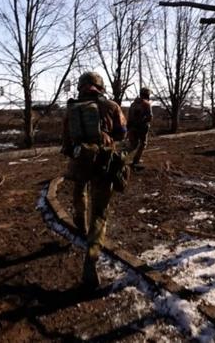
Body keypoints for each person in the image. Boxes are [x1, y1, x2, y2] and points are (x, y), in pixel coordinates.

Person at [61, 71, 127, 288]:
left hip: (81, 162)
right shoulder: (111, 106)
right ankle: (90, 259)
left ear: (81, 86)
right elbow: (122, 132)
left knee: (79, 191)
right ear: (100, 86)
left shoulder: (71, 110)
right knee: (99, 214)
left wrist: (80, 152)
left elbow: (67, 145)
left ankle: (79, 223)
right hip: (104, 164)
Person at [127, 87, 153, 167]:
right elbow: (150, 117)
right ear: (147, 95)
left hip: (132, 127)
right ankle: (136, 161)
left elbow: (129, 116)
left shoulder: (133, 103)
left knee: (133, 144)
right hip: (142, 127)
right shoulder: (146, 104)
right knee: (143, 144)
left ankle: (120, 155)